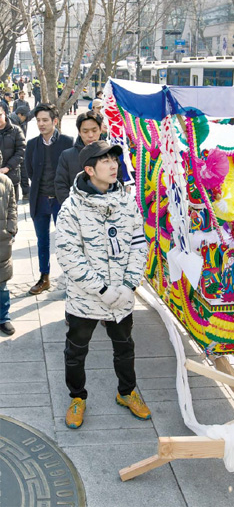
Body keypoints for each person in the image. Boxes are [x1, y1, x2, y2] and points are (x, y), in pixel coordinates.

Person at [55, 141, 150, 429]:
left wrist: (128, 285)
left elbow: (139, 242)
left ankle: (127, 392)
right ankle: (77, 397)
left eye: (114, 160)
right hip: (86, 299)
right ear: (89, 169)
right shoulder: (71, 208)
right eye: (106, 161)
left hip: (121, 298)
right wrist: (102, 289)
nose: (113, 165)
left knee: (125, 347)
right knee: (76, 350)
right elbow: (68, 255)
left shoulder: (126, 201)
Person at [24, 103, 74, 295]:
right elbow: (30, 171)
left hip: (61, 201)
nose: (41, 124)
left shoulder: (67, 142)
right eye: (38, 120)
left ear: (55, 121)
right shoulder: (32, 144)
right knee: (42, 240)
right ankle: (44, 278)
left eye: (45, 120)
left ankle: (70, 278)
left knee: (66, 242)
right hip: (40, 200)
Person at [55, 111, 104, 204]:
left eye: (94, 130)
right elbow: (60, 185)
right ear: (79, 132)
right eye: (85, 131)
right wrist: (73, 209)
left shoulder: (111, 154)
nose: (90, 135)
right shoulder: (67, 156)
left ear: (100, 129)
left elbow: (117, 183)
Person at [0, 160, 17, 336]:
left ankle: (3, 318)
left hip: (2, 240)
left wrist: (11, 229)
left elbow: (12, 206)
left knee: (2, 285)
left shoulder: (5, 181)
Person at [0, 107, 26, 203]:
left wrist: (8, 167)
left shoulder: (16, 130)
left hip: (11, 175)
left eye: (0, 115)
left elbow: (21, 151)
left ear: (5, 115)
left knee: (11, 208)